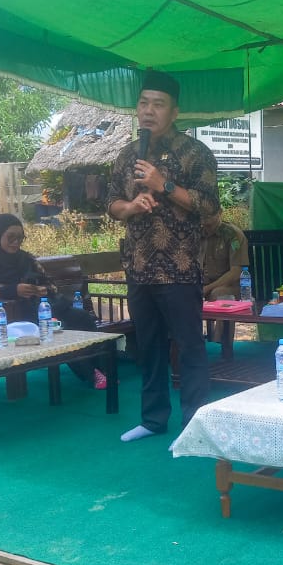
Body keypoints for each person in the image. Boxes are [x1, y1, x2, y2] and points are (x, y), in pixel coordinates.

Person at [107, 71, 219, 442]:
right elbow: (111, 203)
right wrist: (130, 207)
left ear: (174, 112)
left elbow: (209, 206)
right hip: (139, 267)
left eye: (158, 104)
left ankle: (194, 425)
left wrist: (163, 185)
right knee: (149, 347)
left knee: (189, 347)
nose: (148, 111)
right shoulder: (127, 155)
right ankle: (153, 419)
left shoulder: (195, 153)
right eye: (143, 103)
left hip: (180, 269)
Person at [0, 213, 105, 383]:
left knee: (82, 318)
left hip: (39, 308)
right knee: (61, 327)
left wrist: (41, 290)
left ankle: (101, 367)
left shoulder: (25, 258)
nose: (16, 242)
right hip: (6, 318)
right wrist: (13, 290)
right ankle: (90, 374)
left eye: (20, 238)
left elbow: (50, 284)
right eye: (11, 237)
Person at [200, 211, 250, 301]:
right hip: (204, 284)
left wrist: (207, 288)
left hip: (229, 286)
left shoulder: (232, 234)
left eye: (210, 212)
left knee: (217, 293)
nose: (206, 218)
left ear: (219, 212)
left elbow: (236, 272)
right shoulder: (197, 233)